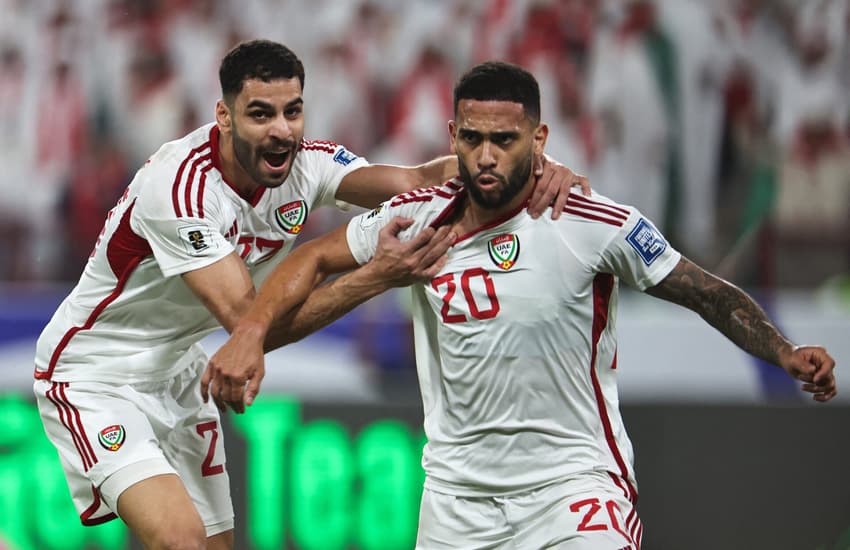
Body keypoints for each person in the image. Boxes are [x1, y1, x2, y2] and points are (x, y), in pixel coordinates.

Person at [207, 61, 838, 549]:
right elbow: (309, 257)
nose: (485, 156)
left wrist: (783, 350)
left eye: (504, 141)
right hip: (455, 503)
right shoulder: (417, 216)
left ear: (538, 137)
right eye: (473, 138)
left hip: (572, 490)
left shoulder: (589, 221)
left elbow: (707, 292)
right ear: (452, 134)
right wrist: (251, 329)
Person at [32, 40, 587, 550]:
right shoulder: (178, 190)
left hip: (177, 370)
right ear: (223, 117)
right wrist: (375, 277)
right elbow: (252, 325)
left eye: (292, 111)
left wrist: (536, 167)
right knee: (181, 542)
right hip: (94, 373)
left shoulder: (308, 166)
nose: (281, 131)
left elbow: (420, 176)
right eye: (260, 114)